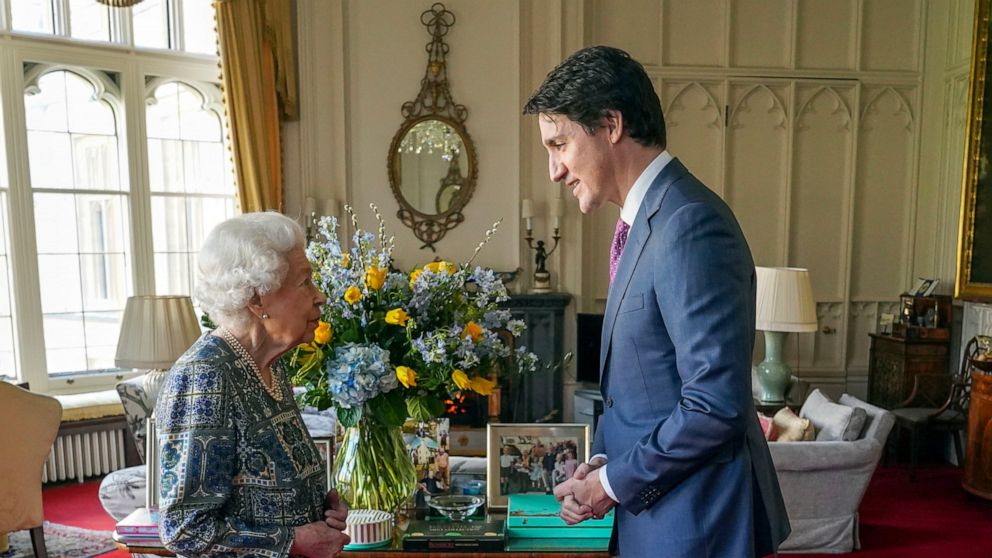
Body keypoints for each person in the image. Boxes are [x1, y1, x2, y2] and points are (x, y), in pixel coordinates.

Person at [524, 46, 790, 557]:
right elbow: (648, 393)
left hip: (698, 526)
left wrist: (610, 485)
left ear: (610, 124)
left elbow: (713, 406)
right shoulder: (646, 223)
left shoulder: (689, 223)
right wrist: (604, 465)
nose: (555, 171)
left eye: (559, 145)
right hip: (661, 515)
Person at [155, 212, 350, 557]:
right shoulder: (206, 375)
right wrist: (293, 542)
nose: (320, 296)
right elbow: (185, 530)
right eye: (305, 282)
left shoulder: (271, 367)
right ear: (257, 298)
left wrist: (320, 505)